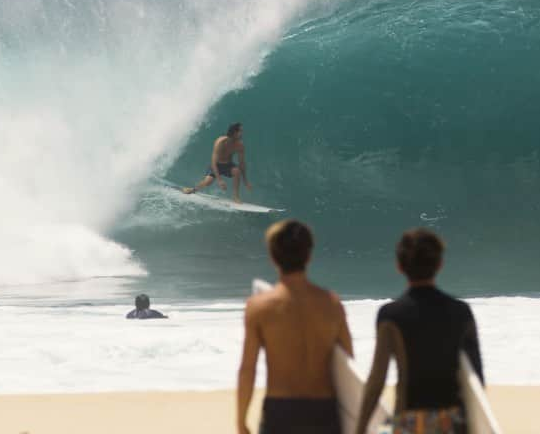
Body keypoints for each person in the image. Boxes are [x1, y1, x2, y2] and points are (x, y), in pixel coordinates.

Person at [355, 228, 483, 434]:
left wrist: (359, 429)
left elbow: (377, 381)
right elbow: (476, 382)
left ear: (399, 266)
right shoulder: (461, 312)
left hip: (409, 423)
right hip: (452, 423)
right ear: (439, 265)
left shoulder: (390, 315)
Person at [237, 220, 352, 434]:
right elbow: (347, 363)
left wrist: (241, 421)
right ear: (309, 255)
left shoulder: (259, 307)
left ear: (273, 257)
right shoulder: (332, 304)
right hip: (324, 411)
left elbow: (247, 369)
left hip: (280, 411)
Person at [183, 122, 252, 203]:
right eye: (240, 131)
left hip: (228, 165)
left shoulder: (240, 146)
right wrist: (219, 180)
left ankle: (236, 197)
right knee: (208, 182)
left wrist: (245, 181)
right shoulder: (220, 142)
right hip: (216, 165)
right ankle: (193, 189)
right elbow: (213, 162)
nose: (242, 133)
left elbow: (242, 164)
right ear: (234, 133)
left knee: (237, 171)